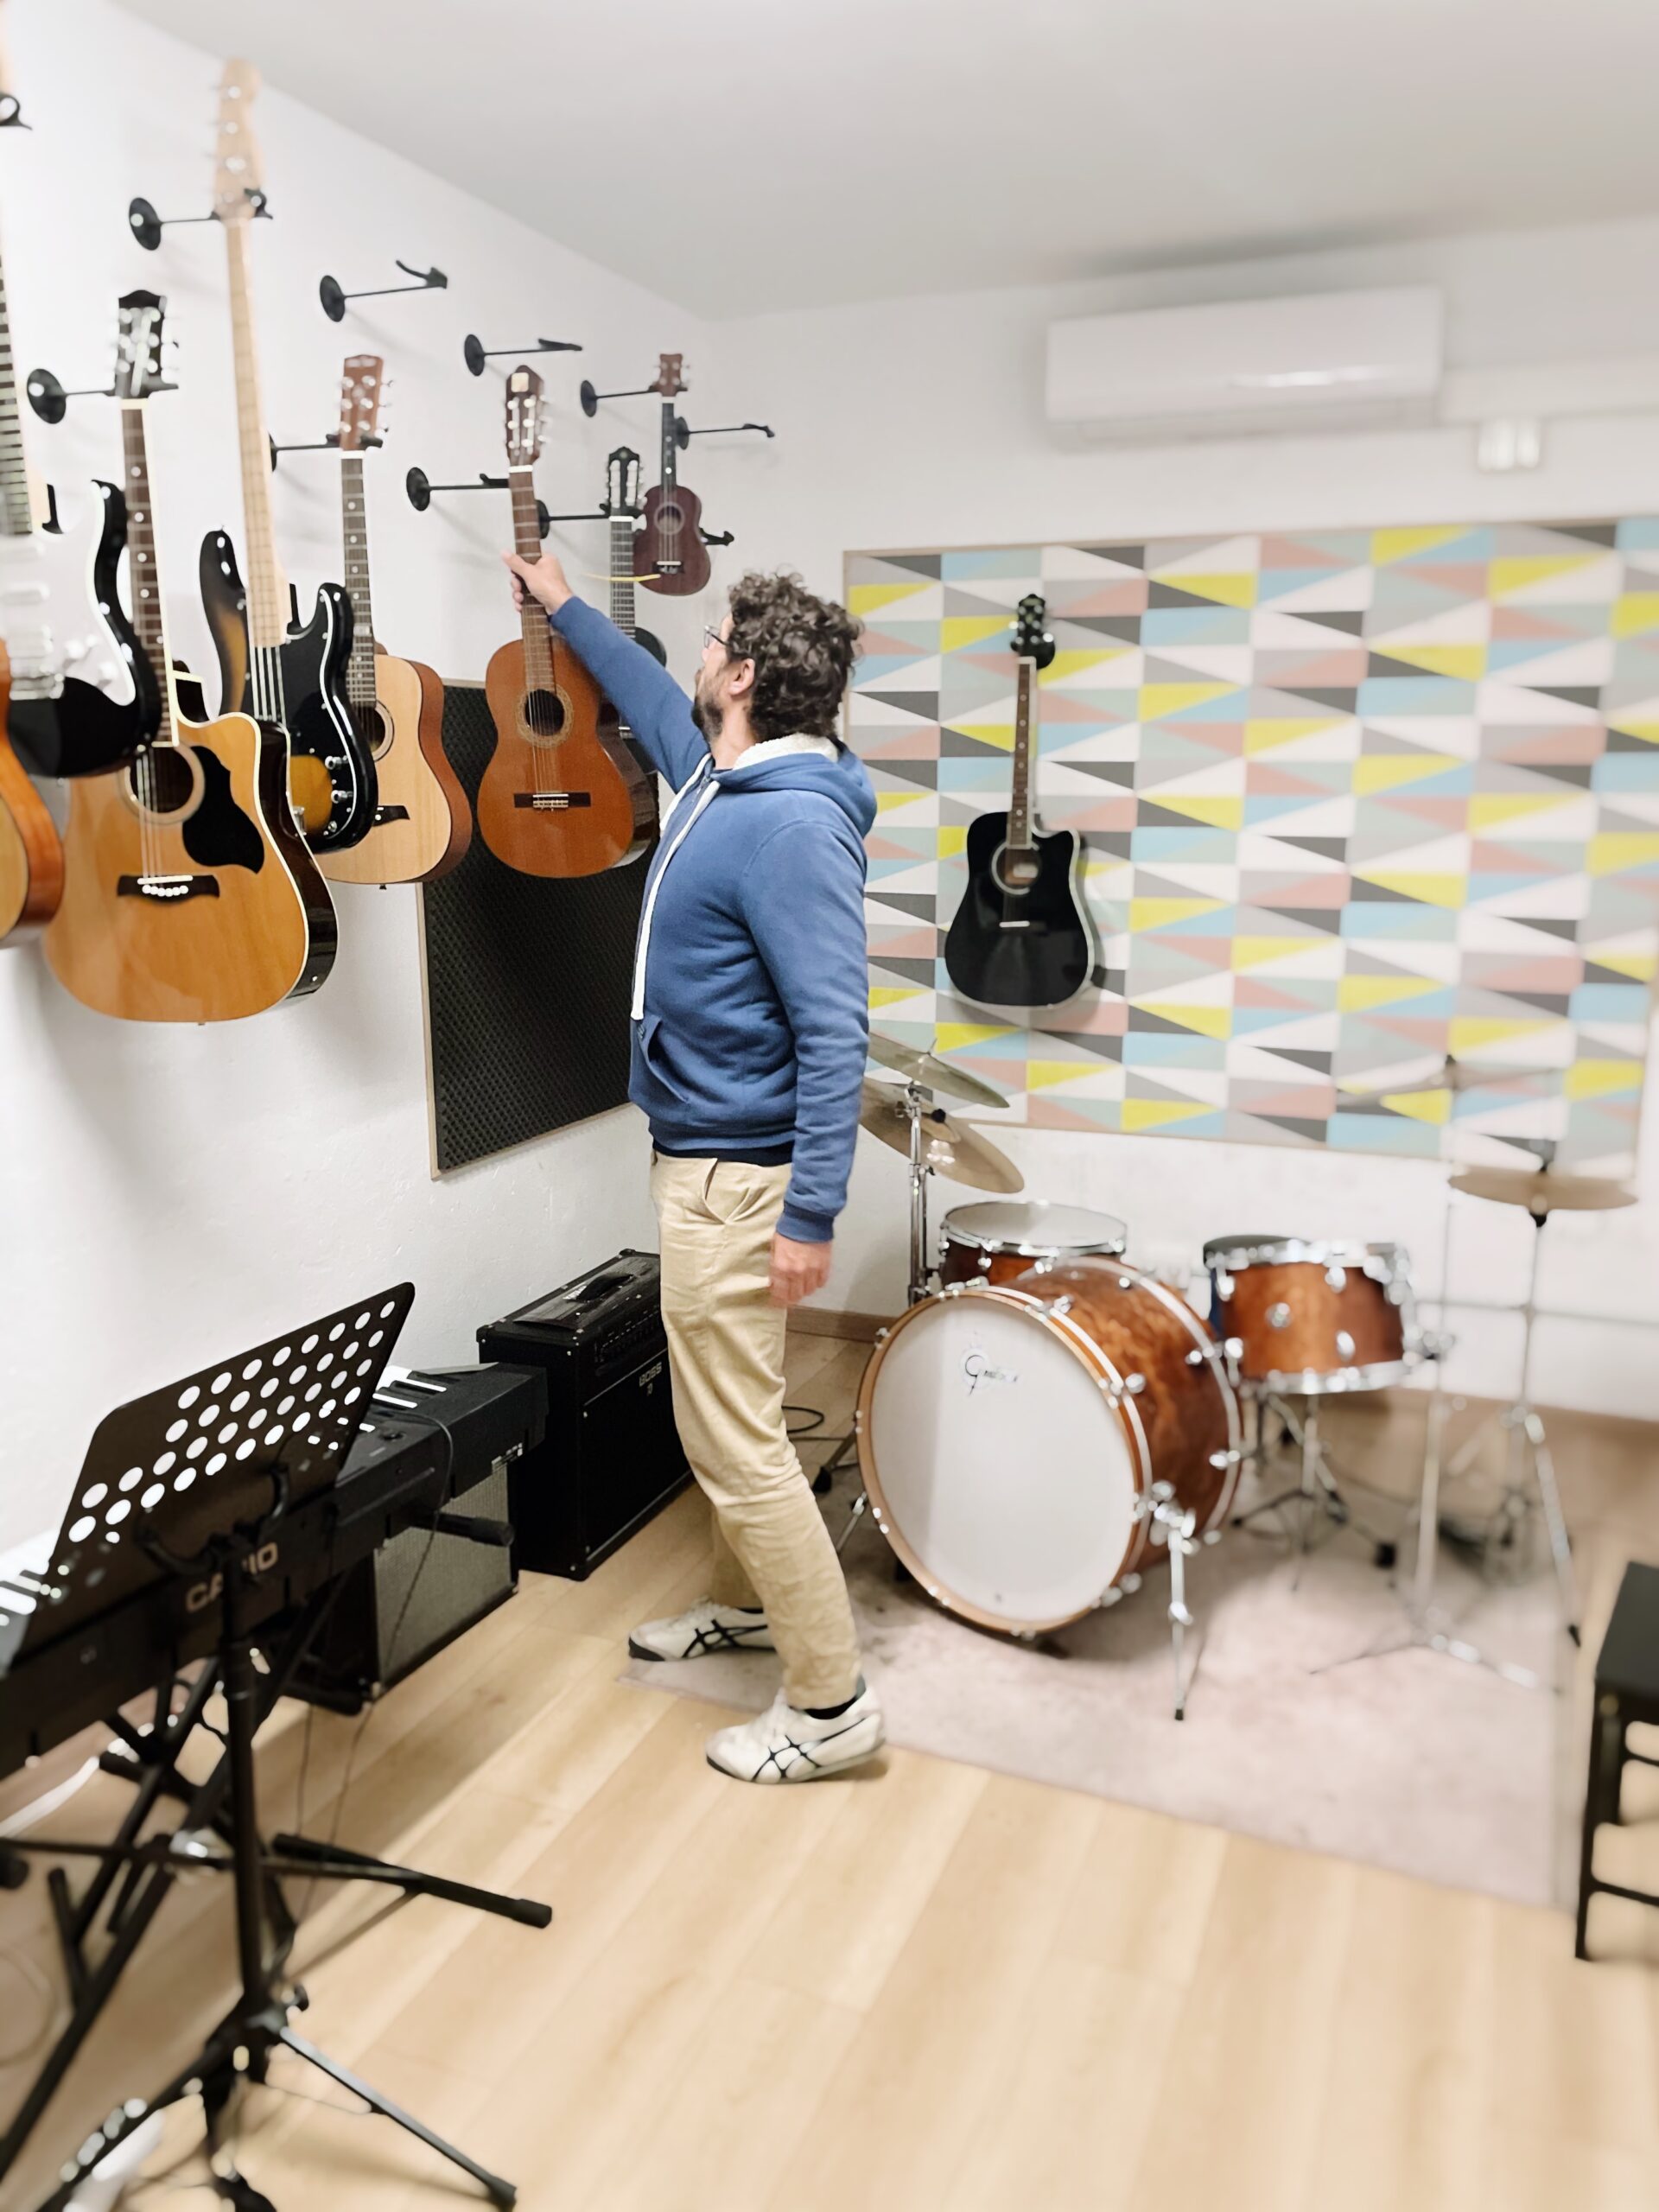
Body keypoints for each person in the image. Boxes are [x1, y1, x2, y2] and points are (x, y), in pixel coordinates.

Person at [503, 546, 886, 1784]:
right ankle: (761, 1616)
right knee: (736, 1417)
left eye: (717, 637)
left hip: (739, 1177)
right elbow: (652, 699)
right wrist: (563, 603)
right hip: (705, 1160)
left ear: (752, 675)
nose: (701, 651)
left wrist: (810, 1212)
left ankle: (829, 1709)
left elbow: (837, 1033)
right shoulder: (721, 774)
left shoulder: (788, 831)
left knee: (733, 1444)